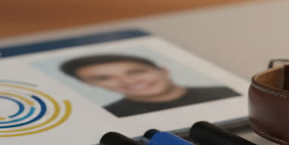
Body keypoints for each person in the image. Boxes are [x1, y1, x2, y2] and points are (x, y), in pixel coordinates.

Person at [59, 53, 237, 117]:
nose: (129, 81)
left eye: (136, 72)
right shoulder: (113, 114)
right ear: (88, 84)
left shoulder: (225, 92)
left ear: (163, 70)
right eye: (105, 78)